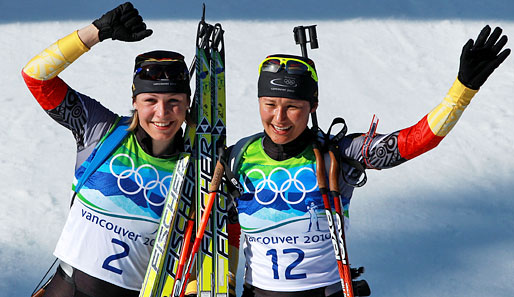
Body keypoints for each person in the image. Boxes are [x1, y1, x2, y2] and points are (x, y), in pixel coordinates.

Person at [227, 25, 510, 297]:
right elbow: (225, 225)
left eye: (292, 107)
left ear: (312, 106)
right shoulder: (238, 157)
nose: (279, 118)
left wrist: (463, 89)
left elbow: (415, 141)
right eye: (270, 105)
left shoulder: (340, 153)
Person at [23, 3, 193, 296]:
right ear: (135, 99)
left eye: (174, 101)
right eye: (150, 100)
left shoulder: (196, 167)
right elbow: (36, 77)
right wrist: (96, 33)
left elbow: (199, 247)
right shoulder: (100, 130)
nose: (162, 113)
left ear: (188, 104)